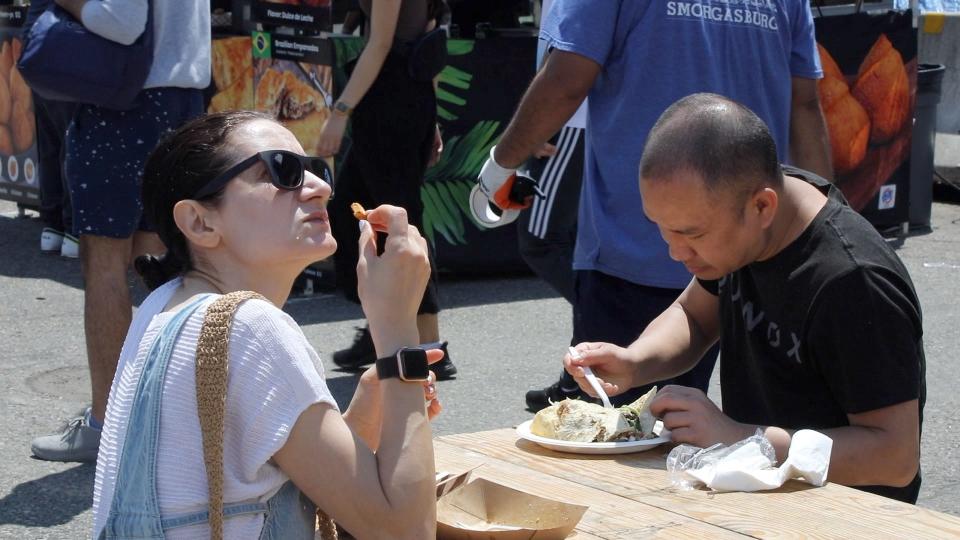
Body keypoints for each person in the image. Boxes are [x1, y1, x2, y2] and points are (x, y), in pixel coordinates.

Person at [91, 110, 440, 538]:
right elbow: (405, 531)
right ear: (200, 222)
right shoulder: (249, 326)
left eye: (314, 169)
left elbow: (264, 478)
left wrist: (365, 413)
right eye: (283, 171)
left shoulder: (164, 305)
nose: (322, 188)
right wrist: (398, 335)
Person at [564, 93, 925, 504]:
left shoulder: (854, 281)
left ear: (761, 206)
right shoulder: (745, 213)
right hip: (762, 497)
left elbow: (895, 457)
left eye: (692, 234)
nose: (675, 252)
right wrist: (635, 362)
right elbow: (696, 316)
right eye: (662, 228)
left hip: (849, 516)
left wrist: (744, 438)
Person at [473, 0, 833, 411]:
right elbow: (804, 101)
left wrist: (500, 164)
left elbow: (568, 77)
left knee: (618, 445)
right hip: (749, 251)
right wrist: (820, 231)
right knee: (756, 445)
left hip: (641, 250)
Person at [30, 0, 211, 462]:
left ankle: (107, 423)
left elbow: (121, 19)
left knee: (106, 261)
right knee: (156, 262)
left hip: (127, 99)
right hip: (182, 91)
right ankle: (160, 419)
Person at [321, 0, 456, 379]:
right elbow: (428, 37)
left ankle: (431, 346)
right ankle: (383, 326)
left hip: (389, 99)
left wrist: (338, 113)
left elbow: (380, 44)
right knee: (350, 210)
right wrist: (430, 116)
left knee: (399, 222)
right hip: (406, 95)